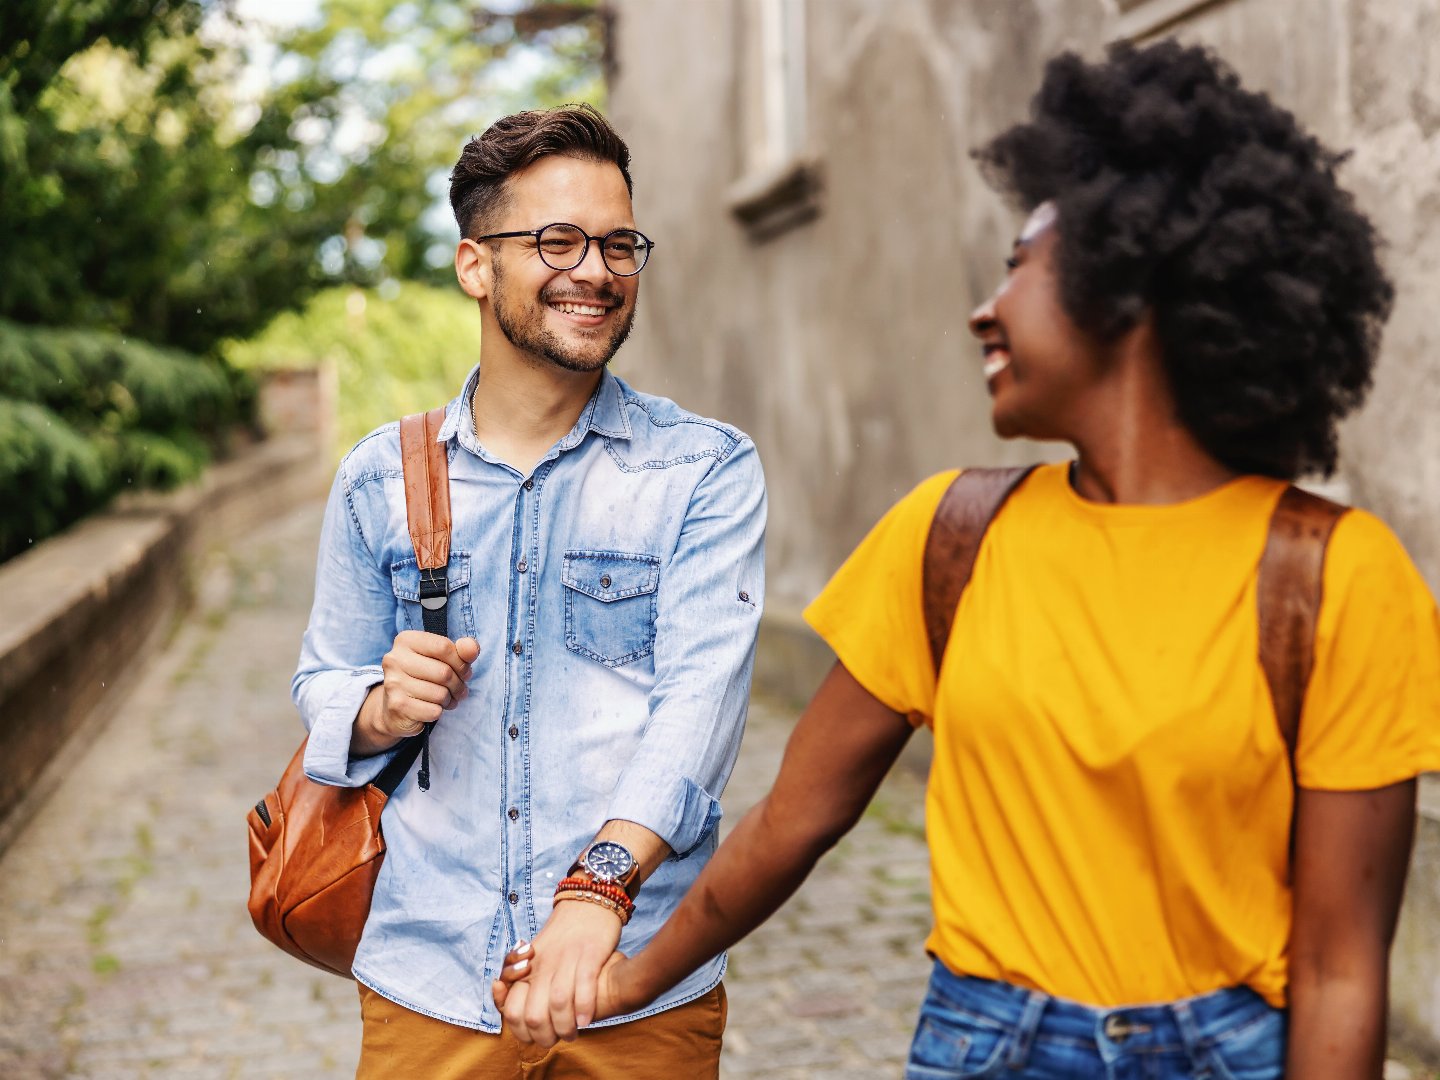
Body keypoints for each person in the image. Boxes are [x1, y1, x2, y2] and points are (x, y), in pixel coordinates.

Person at [495, 42, 1440, 1079]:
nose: (984, 308)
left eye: (1020, 264)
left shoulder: (1335, 577)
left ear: (1130, 284)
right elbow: (789, 823)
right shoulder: (949, 536)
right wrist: (629, 976)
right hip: (987, 1049)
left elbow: (1346, 972)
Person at [292, 103, 766, 1078]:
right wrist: (381, 707)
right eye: (557, 240)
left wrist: (597, 894)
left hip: (633, 990)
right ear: (477, 265)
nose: (595, 270)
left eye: (618, 244)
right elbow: (322, 680)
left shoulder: (703, 471)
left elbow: (699, 713)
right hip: (430, 992)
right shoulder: (381, 477)